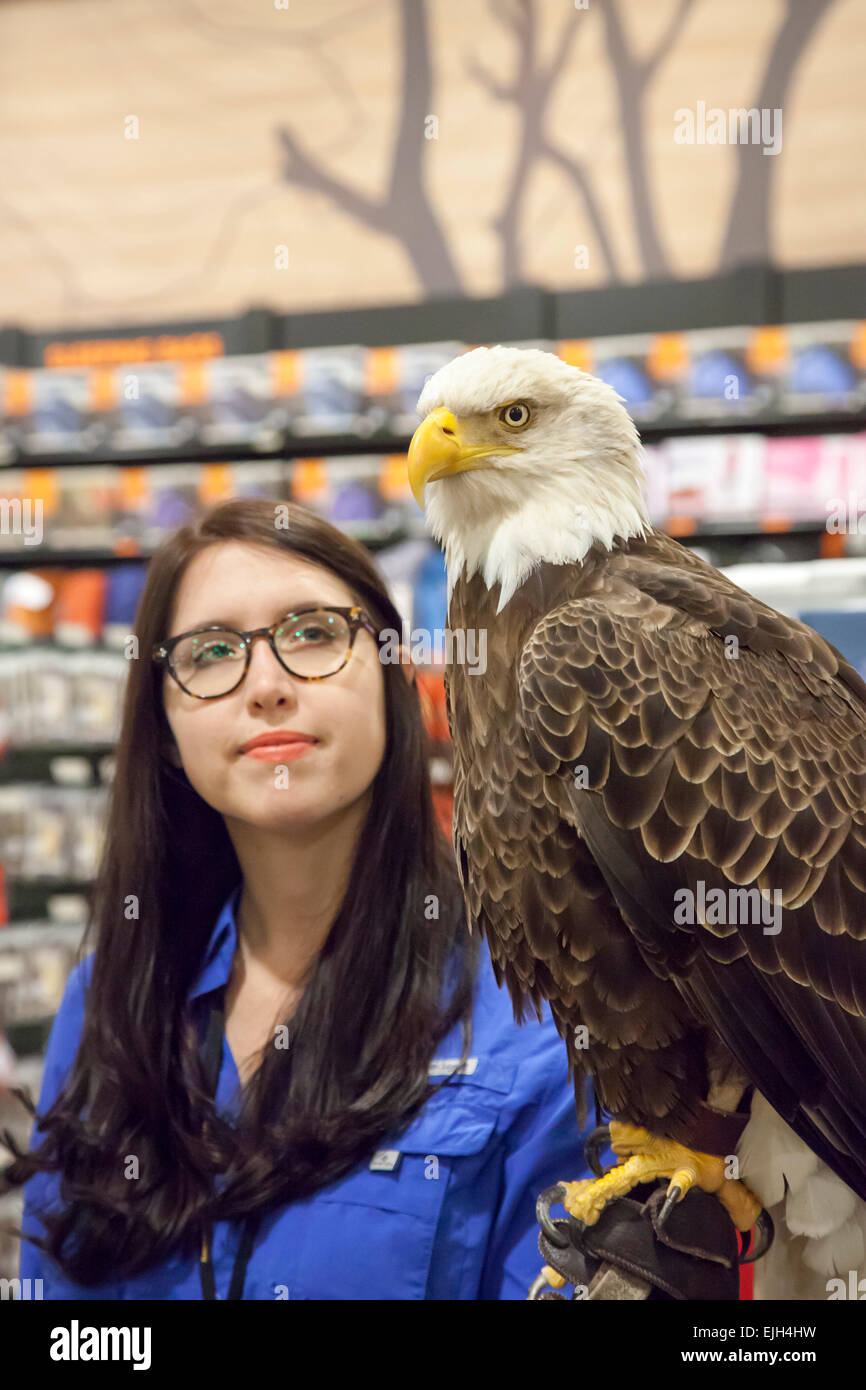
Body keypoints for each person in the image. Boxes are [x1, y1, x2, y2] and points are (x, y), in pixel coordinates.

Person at [3, 497, 595, 1300]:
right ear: (167, 727)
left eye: (313, 633)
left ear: (392, 684)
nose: (267, 685)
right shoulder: (111, 995)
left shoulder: (538, 1014)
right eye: (212, 652)